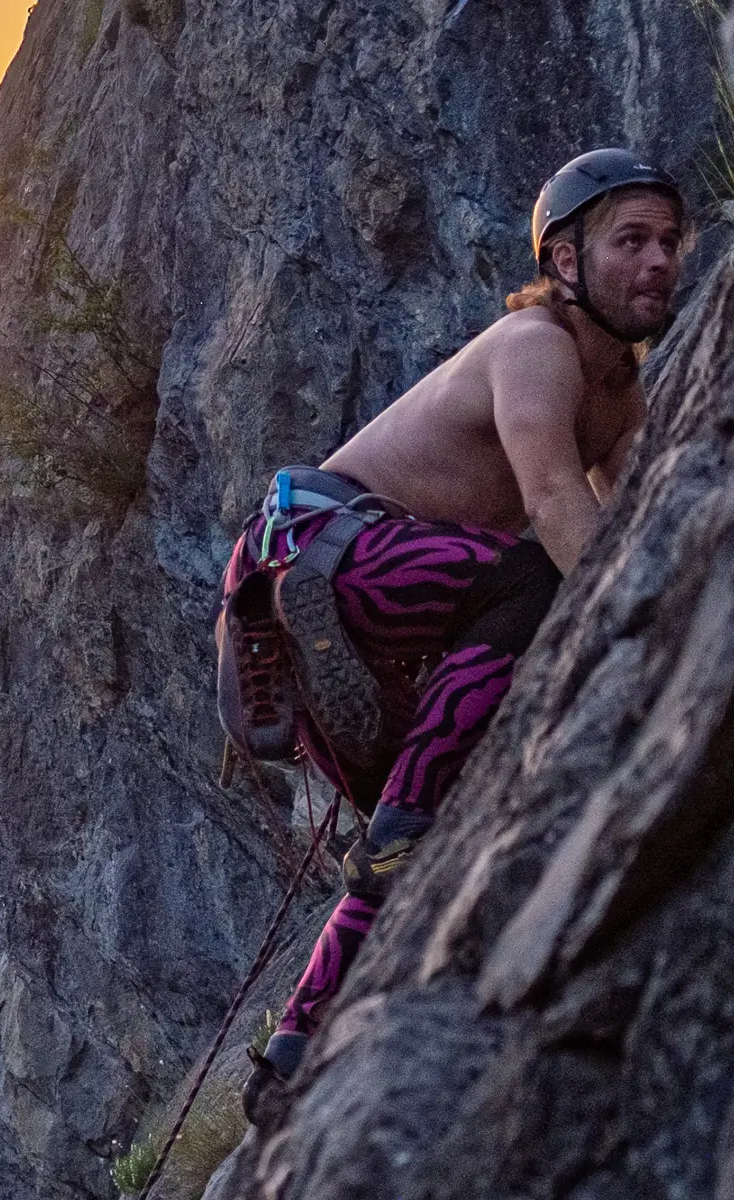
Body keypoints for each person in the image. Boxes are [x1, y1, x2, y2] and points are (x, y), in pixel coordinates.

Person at [225, 148, 688, 1122]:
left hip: (396, 605)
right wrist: (646, 632)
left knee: (418, 831)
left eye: (670, 242)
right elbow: (558, 502)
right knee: (536, 574)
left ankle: (286, 1063)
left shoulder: (618, 396)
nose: (660, 262)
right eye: (631, 241)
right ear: (564, 262)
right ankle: (275, 623)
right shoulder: (536, 348)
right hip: (320, 538)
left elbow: (637, 514)